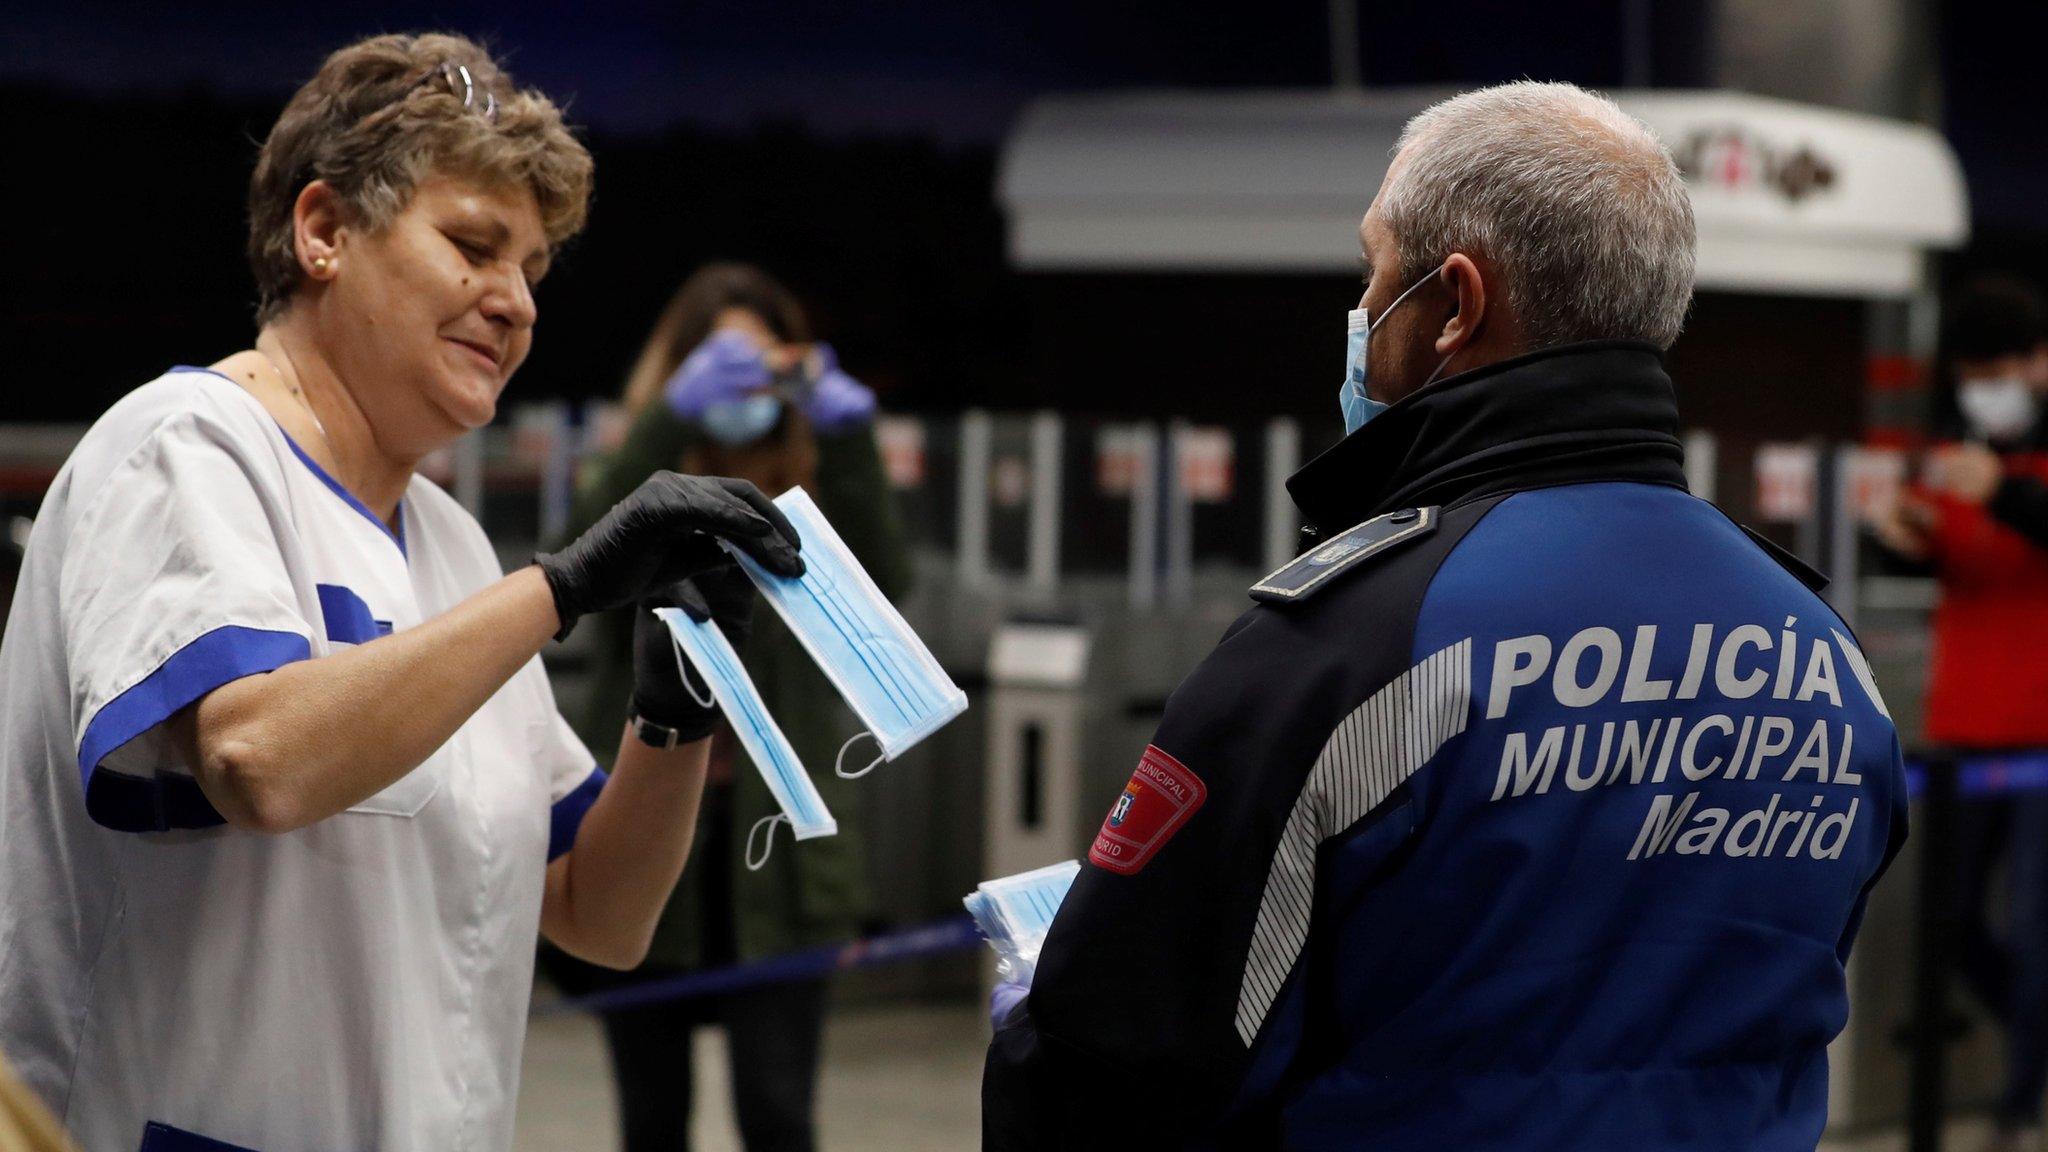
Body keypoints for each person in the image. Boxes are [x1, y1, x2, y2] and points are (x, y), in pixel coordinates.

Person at [983, 80, 1907, 1149]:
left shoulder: (1347, 642)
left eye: (1375, 271)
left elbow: (1114, 1057)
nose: (1362, 310)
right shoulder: (1825, 653)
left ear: (1455, 303)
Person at [0, 34, 806, 1152]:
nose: (515, 303)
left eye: (531, 270)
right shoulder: (184, 449)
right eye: (474, 246)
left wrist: (669, 714)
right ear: (323, 231)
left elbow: (600, 914)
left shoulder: (450, 544)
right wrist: (564, 588)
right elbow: (260, 761)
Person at [548, 264, 907, 1152]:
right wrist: (664, 422)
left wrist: (853, 442)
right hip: (647, 833)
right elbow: (573, 578)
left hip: (776, 853)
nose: (744, 390)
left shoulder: (806, 496)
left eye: (763, 370)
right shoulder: (642, 490)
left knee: (779, 1115)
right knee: (652, 1120)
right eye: (722, 369)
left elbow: (887, 591)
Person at [1872, 274, 2048, 1151]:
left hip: (2042, 741)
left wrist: (2003, 496)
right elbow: (1948, 559)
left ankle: (2017, 1107)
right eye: (1973, 370)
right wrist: (1902, 533)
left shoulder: (2009, 474)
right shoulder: (1954, 458)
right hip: (1960, 731)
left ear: (2037, 363)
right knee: (1948, 924)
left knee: (2037, 926)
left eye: (2001, 367)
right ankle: (2033, 1046)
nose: (1987, 385)